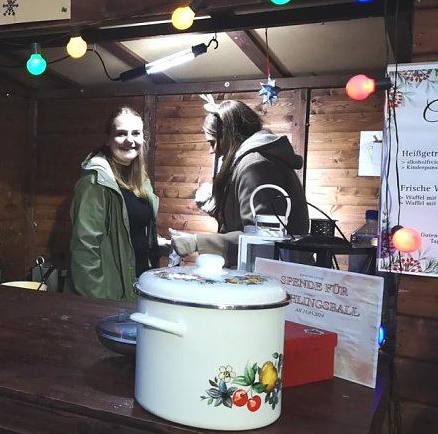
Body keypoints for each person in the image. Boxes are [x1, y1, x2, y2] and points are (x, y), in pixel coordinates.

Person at [170, 99, 309, 267]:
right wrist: (216, 207)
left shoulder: (255, 165)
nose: (212, 150)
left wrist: (197, 242)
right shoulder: (251, 161)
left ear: (228, 135)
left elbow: (261, 239)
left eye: (213, 142)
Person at [69, 106, 164, 300]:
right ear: (108, 139)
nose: (130, 140)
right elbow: (85, 246)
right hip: (110, 292)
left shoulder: (141, 179)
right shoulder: (95, 181)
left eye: (136, 133)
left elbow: (133, 231)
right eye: (121, 134)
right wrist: (96, 300)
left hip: (141, 283)